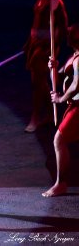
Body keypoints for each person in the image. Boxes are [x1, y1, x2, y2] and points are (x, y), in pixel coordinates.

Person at [23, 0, 68, 132]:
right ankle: (49, 113)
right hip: (35, 44)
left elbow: (62, 28)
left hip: (45, 48)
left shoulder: (56, 2)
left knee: (37, 83)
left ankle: (35, 117)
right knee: (39, 82)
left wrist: (52, 49)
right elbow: (36, 24)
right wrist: (29, 42)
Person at [42, 24, 79, 197]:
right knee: (60, 140)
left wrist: (60, 99)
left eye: (72, 32)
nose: (68, 33)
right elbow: (60, 78)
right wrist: (54, 67)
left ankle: (61, 183)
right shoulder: (74, 57)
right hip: (74, 105)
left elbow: (75, 86)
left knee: (59, 139)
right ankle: (61, 183)